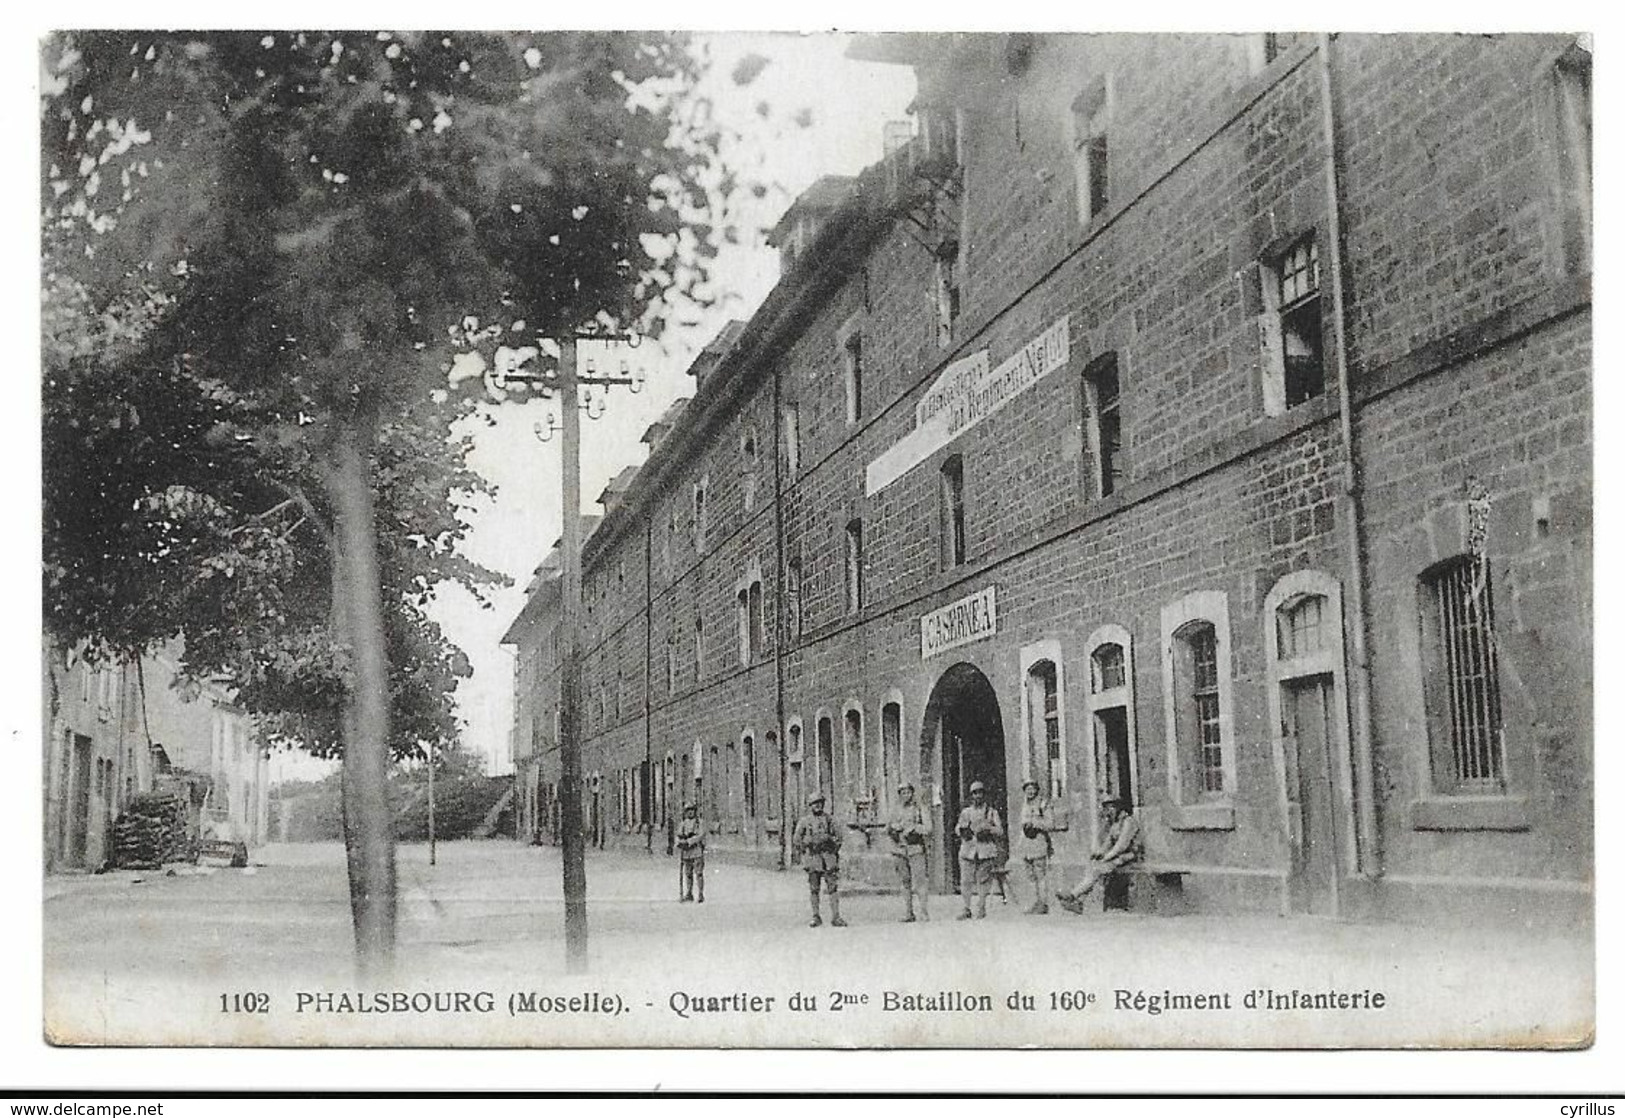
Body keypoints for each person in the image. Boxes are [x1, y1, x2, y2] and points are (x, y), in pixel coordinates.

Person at [1057, 797, 1143, 913]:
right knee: (1093, 866)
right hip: (1119, 856)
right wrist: (1099, 853)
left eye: (1112, 807)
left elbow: (1121, 845)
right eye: (1107, 808)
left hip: (1131, 856)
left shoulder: (1128, 821)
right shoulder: (1116, 823)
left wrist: (1106, 858)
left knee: (1099, 869)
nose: (1109, 811)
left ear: (1119, 807)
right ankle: (1078, 900)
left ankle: (1074, 895)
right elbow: (1108, 843)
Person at [792, 792, 846, 927]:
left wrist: (830, 843)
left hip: (828, 859)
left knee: (832, 888)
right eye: (814, 803)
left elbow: (839, 837)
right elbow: (796, 840)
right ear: (810, 806)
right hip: (813, 859)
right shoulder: (805, 821)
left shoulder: (830, 820)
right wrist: (807, 843)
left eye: (820, 803)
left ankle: (836, 916)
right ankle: (816, 916)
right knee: (814, 889)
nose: (818, 806)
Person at [954, 780, 1004, 920]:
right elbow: (958, 828)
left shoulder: (991, 812)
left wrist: (989, 829)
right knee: (965, 880)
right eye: (975, 793)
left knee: (983, 880)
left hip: (985, 850)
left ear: (984, 795)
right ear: (971, 796)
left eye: (980, 793)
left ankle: (981, 906)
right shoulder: (966, 812)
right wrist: (963, 831)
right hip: (968, 849)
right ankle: (966, 907)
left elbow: (1000, 831)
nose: (978, 796)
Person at [886, 781, 931, 923]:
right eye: (902, 793)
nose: (906, 795)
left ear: (912, 793)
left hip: (915, 848)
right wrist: (894, 828)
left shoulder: (920, 808)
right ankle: (908, 912)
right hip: (899, 849)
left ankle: (923, 912)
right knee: (905, 882)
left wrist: (914, 828)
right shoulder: (895, 810)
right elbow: (887, 828)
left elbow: (928, 828)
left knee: (920, 882)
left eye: (908, 792)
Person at [1015, 778, 1057, 915]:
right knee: (1030, 876)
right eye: (1027, 788)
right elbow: (1022, 826)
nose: (1030, 791)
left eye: (1032, 788)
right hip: (1027, 845)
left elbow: (1050, 824)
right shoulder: (1024, 805)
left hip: (1038, 842)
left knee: (1040, 875)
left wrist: (1035, 823)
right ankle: (1035, 903)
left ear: (1037, 790)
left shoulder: (1043, 804)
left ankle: (1043, 904)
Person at [676, 802, 705, 903]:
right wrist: (680, 842)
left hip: (697, 851)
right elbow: (678, 835)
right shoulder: (683, 823)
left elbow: (701, 835)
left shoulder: (699, 822)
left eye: (692, 810)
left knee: (699, 873)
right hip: (686, 852)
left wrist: (689, 841)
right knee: (688, 873)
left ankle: (700, 893)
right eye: (688, 810)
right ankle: (689, 893)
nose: (690, 812)